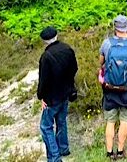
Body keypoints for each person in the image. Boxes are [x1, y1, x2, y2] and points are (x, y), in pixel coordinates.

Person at [100, 14, 127, 160]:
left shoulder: (106, 43)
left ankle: (108, 152)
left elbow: (101, 62)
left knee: (110, 121)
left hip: (109, 88)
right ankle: (119, 152)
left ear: (115, 27)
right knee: (124, 120)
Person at [37, 26, 78, 162]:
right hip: (66, 92)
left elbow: (43, 80)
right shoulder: (67, 49)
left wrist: (41, 96)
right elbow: (74, 68)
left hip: (51, 97)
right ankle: (63, 148)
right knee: (61, 121)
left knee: (46, 126)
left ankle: (54, 157)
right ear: (56, 35)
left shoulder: (46, 57)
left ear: (44, 40)